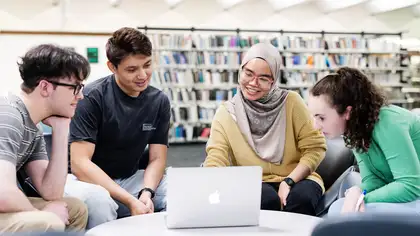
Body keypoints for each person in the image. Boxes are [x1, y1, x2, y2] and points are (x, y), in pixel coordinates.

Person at [203, 43, 327, 216]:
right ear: (240, 71)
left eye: (263, 78)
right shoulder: (226, 113)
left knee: (301, 199)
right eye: (248, 74)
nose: (253, 83)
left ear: (274, 80)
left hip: (298, 177)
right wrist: (207, 184)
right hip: (253, 181)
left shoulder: (291, 102)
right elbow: (217, 156)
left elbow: (315, 147)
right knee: (265, 200)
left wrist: (289, 181)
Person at [64, 27, 170, 229]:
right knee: (100, 201)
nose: (142, 75)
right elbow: (80, 163)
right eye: (132, 69)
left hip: (130, 177)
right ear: (112, 67)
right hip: (86, 180)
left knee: (179, 190)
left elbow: (157, 158)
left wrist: (147, 192)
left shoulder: (159, 101)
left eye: (147, 65)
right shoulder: (91, 97)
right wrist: (130, 200)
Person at [307, 67, 420, 216]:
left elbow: (410, 185)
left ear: (347, 112)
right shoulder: (355, 130)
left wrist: (363, 197)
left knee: (343, 212)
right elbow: (373, 179)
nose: (315, 126)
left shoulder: (389, 123)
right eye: (313, 117)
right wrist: (358, 190)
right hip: (408, 196)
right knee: (338, 209)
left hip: (413, 194)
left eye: (321, 117)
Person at [0, 44, 89, 233]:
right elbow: (3, 194)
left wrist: (61, 129)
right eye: (76, 87)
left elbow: (51, 192)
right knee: (49, 221)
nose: (81, 96)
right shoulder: (9, 114)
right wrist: (42, 213)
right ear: (45, 87)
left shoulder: (32, 125)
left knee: (75, 209)